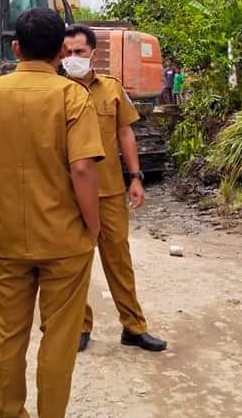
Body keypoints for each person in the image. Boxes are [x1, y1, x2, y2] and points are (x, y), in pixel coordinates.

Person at [0, 8, 103, 418]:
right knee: (59, 338)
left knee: (9, 337)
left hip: (7, 241)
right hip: (64, 242)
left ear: (15, 48)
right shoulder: (72, 97)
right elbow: (83, 168)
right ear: (62, 50)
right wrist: (93, 227)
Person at [62, 25, 167, 354]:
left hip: (107, 191)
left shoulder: (111, 89)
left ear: (93, 52)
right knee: (74, 263)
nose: (72, 58)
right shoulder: (55, 91)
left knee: (119, 260)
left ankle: (133, 327)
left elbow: (125, 135)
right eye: (66, 53)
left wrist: (136, 177)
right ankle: (79, 325)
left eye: (78, 52)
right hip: (68, 194)